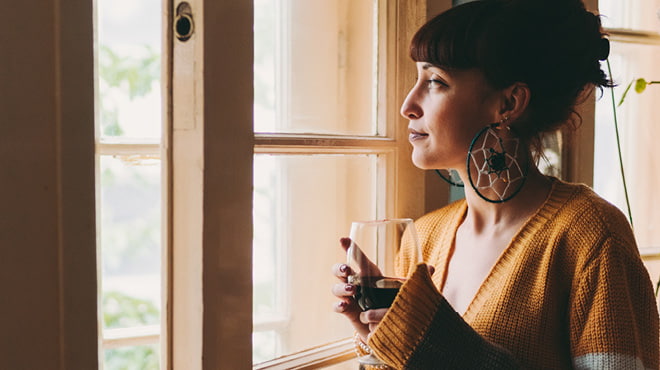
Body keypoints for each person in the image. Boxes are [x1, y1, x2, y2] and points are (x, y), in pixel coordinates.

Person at [331, 0, 660, 368]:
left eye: (436, 81)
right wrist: (379, 340)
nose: (409, 104)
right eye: (417, 79)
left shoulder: (591, 237)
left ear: (509, 102)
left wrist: (443, 347)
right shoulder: (422, 239)